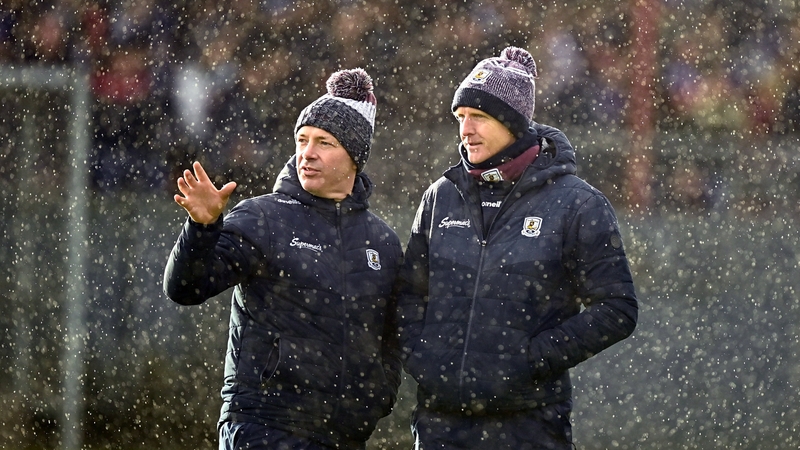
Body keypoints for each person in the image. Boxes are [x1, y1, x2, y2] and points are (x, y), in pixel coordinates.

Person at [394, 47, 639, 449]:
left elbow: (617, 309)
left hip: (530, 424)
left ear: (513, 123)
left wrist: (531, 360)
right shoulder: (441, 196)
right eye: (461, 118)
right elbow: (409, 295)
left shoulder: (578, 203)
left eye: (479, 117)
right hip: (440, 423)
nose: (465, 130)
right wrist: (425, 359)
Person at [163, 68, 403, 450]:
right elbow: (186, 288)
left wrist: (375, 399)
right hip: (263, 431)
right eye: (302, 140)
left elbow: (390, 340)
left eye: (323, 142)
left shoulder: (384, 243)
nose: (307, 153)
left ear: (355, 156)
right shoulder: (264, 217)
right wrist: (202, 228)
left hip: (344, 437)